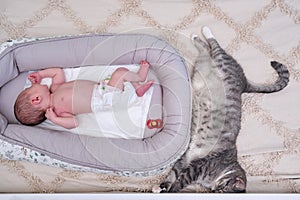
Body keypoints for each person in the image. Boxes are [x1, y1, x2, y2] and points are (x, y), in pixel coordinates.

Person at [14, 60, 154, 129]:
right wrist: (55, 119)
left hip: (102, 89)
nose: (34, 84)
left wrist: (40, 74)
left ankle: (137, 89)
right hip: (103, 100)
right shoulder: (58, 110)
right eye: (31, 88)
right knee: (120, 73)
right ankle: (140, 78)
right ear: (36, 99)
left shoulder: (55, 87)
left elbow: (57, 72)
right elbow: (74, 123)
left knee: (120, 74)